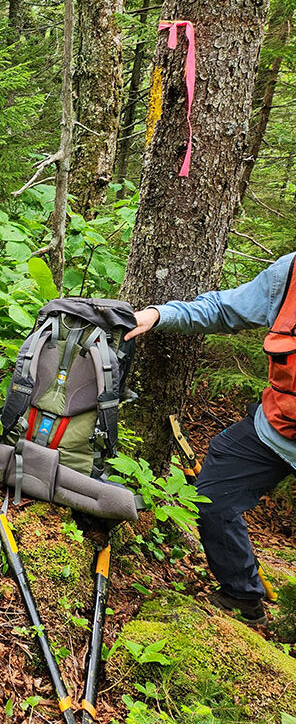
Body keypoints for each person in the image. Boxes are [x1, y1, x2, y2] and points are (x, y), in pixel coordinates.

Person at [127, 252, 296, 625]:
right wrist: (157, 315)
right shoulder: (289, 274)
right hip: (276, 427)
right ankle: (242, 597)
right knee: (212, 497)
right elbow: (222, 308)